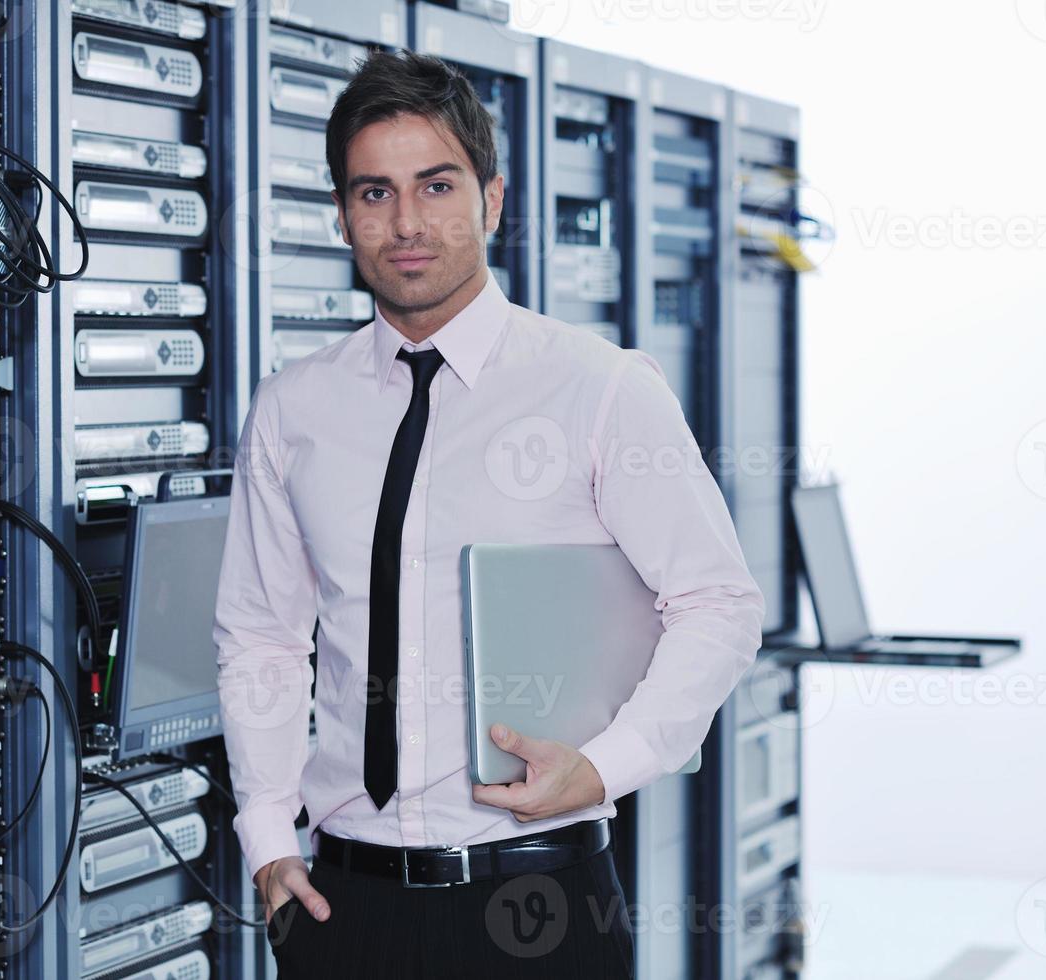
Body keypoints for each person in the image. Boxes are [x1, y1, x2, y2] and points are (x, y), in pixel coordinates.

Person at [213, 50, 764, 978]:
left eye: (436, 185)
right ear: (343, 214)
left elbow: (718, 603)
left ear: (493, 200)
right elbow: (262, 637)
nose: (407, 223)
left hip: (539, 896)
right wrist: (268, 837)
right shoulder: (292, 409)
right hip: (344, 904)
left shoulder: (598, 387)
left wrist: (606, 765)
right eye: (374, 193)